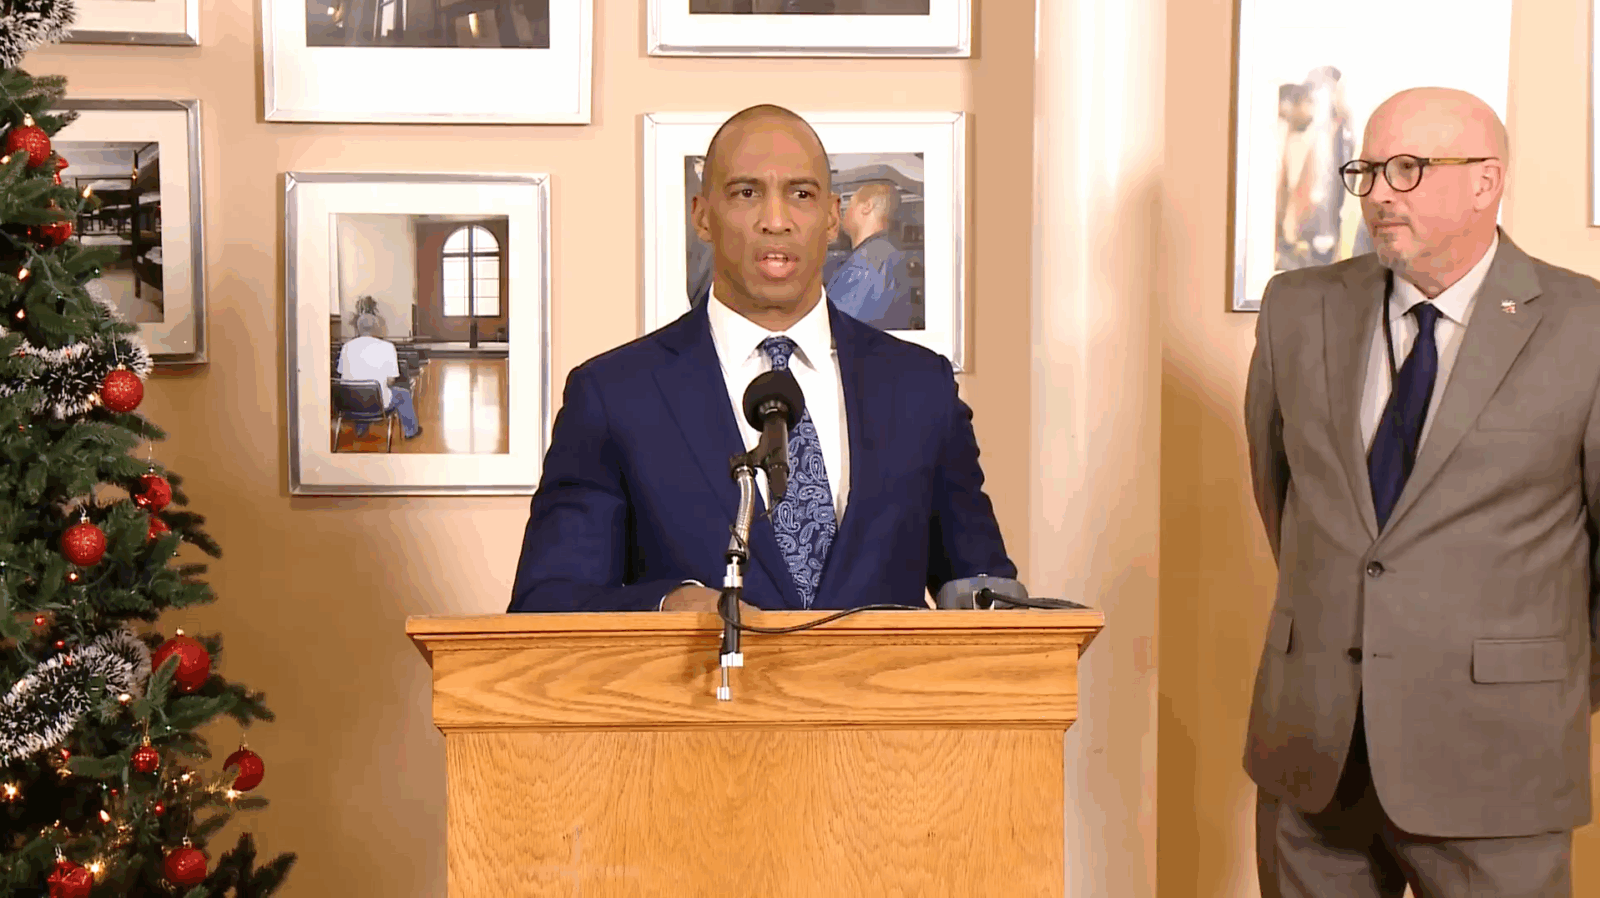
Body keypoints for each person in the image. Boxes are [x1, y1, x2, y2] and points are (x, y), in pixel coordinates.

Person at [1244, 86, 1600, 897]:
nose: (1377, 193)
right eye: (1366, 171)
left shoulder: (1585, 325)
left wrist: (1537, 683)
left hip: (1498, 762)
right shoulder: (1298, 308)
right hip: (1313, 755)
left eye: (1406, 169)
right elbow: (1283, 499)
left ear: (1486, 182)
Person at [509, 104, 1015, 613]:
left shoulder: (921, 387)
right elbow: (544, 606)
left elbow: (985, 595)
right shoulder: (614, 395)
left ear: (832, 217)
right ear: (702, 216)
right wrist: (669, 606)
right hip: (707, 669)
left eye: (801, 195)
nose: (776, 221)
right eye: (746, 193)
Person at [827, 181, 914, 327]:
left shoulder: (868, 263)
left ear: (867, 207)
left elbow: (837, 329)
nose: (843, 213)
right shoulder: (882, 253)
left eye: (849, 205)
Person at [337, 312, 422, 441]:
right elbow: (391, 380)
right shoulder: (387, 347)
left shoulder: (346, 347)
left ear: (358, 328)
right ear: (376, 328)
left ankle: (361, 428)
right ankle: (411, 431)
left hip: (350, 403)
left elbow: (341, 374)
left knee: (358, 389)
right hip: (378, 403)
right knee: (403, 394)